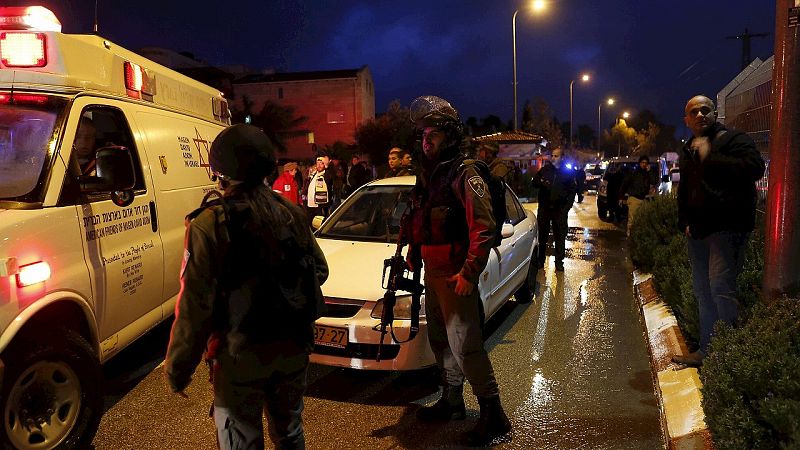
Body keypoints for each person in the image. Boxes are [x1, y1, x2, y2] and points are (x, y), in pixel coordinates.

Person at [165, 124, 329, 450]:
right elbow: (320, 270)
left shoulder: (209, 223)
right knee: (290, 433)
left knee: (241, 441)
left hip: (239, 357)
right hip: (293, 350)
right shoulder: (292, 214)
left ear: (221, 173)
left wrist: (178, 368)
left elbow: (195, 304)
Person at [407, 95, 511, 446]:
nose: (426, 141)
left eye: (432, 135)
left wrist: (469, 273)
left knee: (466, 344)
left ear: (449, 135)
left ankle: (493, 413)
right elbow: (419, 220)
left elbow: (482, 226)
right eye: (423, 136)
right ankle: (451, 402)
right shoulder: (430, 174)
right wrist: (412, 253)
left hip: (455, 274)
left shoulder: (464, 172)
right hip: (433, 272)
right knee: (442, 342)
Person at [671, 95, 764, 368]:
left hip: (727, 229)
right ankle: (706, 350)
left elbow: (755, 168)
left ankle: (729, 355)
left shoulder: (734, 140)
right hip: (698, 231)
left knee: (721, 288)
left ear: (715, 114)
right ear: (686, 120)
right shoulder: (689, 148)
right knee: (703, 291)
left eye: (705, 110)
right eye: (693, 112)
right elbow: (686, 190)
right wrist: (684, 222)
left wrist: (711, 155)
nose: (700, 115)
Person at [532, 148, 577, 272]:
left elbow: (573, 191)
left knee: (560, 236)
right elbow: (534, 182)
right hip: (545, 209)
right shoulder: (545, 170)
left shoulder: (568, 172)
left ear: (561, 157)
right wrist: (541, 182)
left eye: (556, 156)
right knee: (542, 237)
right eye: (552, 155)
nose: (553, 158)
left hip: (559, 210)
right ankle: (540, 261)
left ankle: (559, 262)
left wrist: (566, 207)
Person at [620, 155, 655, 236]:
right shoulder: (634, 173)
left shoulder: (647, 174)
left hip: (644, 199)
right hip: (634, 198)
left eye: (646, 163)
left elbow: (653, 181)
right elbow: (624, 185)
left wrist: (649, 172)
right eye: (642, 162)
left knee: (643, 219)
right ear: (639, 163)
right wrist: (621, 197)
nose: (644, 164)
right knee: (632, 219)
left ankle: (638, 235)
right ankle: (630, 235)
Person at [303, 156, 334, 224]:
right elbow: (306, 184)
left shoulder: (326, 174)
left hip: (320, 206)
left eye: (321, 163)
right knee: (309, 223)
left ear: (324, 165)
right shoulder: (313, 174)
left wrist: (327, 166)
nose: (319, 165)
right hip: (310, 204)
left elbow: (330, 177)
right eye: (318, 163)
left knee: (319, 224)